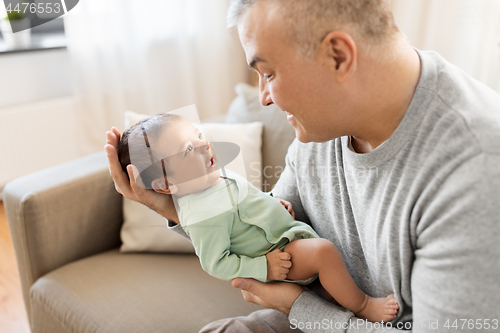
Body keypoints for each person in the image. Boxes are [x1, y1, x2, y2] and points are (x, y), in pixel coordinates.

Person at [105, 0, 500, 331]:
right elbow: (255, 231)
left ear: (338, 56)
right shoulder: (323, 126)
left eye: (268, 73)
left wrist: (298, 306)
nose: (264, 98)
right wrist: (168, 207)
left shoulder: (475, 174)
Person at [116, 113, 399, 323]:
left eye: (198, 136)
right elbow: (217, 262)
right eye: (188, 150)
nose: (204, 147)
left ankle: (331, 298)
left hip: (282, 233)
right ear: (166, 185)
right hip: (277, 255)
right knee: (323, 252)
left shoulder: (211, 178)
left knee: (321, 257)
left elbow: (245, 205)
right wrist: (263, 266)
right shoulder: (202, 215)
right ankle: (362, 306)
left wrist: (273, 205)